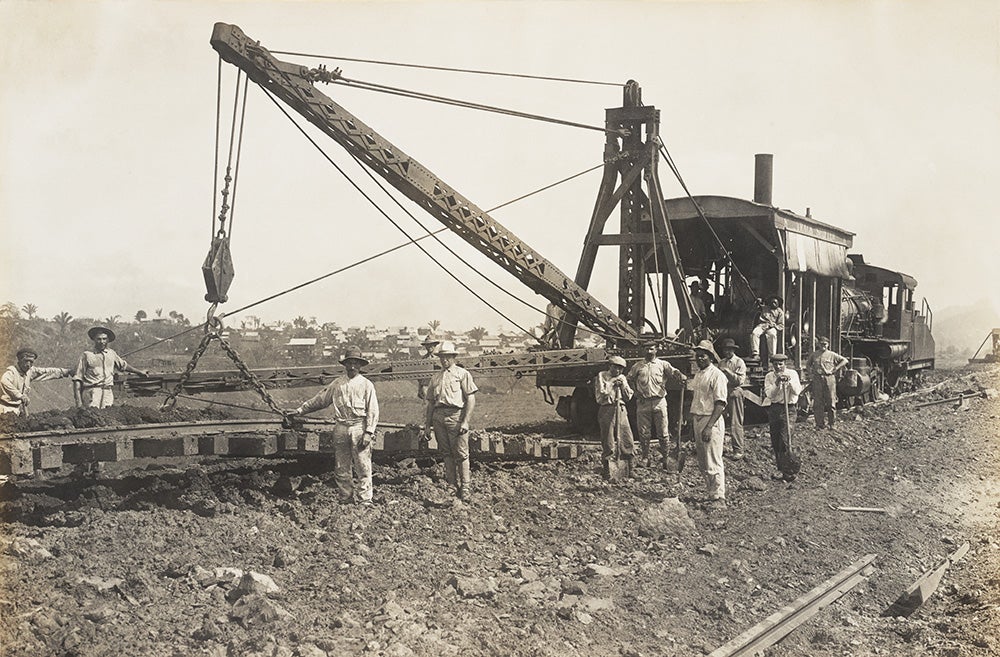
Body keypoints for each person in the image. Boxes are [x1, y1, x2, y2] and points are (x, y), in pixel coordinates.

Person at [290, 346, 379, 506]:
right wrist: (299, 411)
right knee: (341, 466)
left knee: (362, 465)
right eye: (349, 363)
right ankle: (345, 498)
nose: (352, 367)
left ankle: (365, 499)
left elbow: (373, 410)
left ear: (360, 365)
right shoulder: (337, 384)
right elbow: (320, 400)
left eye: (355, 363)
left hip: (359, 426)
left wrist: (369, 432)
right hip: (341, 427)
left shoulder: (367, 385)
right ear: (345, 365)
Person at [422, 341, 478, 501]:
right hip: (439, 417)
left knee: (461, 453)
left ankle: (466, 487)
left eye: (447, 357)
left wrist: (466, 421)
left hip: (456, 416)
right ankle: (452, 485)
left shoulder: (462, 374)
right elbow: (431, 403)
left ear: (453, 357)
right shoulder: (436, 378)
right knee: (446, 453)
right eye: (442, 357)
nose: (444, 360)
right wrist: (428, 425)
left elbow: (471, 399)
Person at [627, 341, 686, 467]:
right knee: (644, 433)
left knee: (663, 432)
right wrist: (636, 393)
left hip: (659, 402)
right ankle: (645, 458)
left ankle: (666, 458)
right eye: (647, 349)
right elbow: (629, 379)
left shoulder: (662, 364)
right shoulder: (638, 366)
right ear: (643, 350)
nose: (649, 351)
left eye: (651, 349)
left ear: (656, 350)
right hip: (643, 403)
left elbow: (673, 372)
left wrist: (680, 375)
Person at [689, 340, 729, 509]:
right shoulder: (698, 375)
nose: (699, 358)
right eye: (697, 356)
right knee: (703, 461)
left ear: (711, 357)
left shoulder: (717, 375)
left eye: (703, 355)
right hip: (698, 418)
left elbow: (720, 403)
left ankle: (719, 497)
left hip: (710, 419)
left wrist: (709, 426)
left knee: (713, 459)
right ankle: (711, 493)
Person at [73, 327, 149, 408]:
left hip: (107, 393)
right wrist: (79, 402)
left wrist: (139, 372)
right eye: (99, 339)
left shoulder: (111, 354)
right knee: (91, 417)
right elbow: (78, 379)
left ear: (108, 340)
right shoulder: (87, 355)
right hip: (92, 393)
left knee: (107, 416)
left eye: (104, 339)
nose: (102, 342)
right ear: (94, 340)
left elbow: (123, 365)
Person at [762, 353, 803, 481]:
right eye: (775, 364)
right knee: (775, 440)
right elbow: (770, 395)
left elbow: (797, 391)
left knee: (785, 439)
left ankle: (789, 471)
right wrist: (777, 383)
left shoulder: (793, 373)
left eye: (780, 364)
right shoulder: (769, 376)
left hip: (789, 409)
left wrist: (789, 382)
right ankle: (780, 469)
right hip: (775, 409)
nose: (778, 367)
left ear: (785, 364)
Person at [594, 355, 634, 480]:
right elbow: (602, 392)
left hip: (621, 408)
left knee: (627, 438)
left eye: (621, 369)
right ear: (610, 366)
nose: (618, 371)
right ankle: (607, 468)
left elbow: (629, 396)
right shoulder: (602, 375)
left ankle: (629, 468)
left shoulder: (622, 377)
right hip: (607, 408)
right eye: (615, 368)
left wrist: (623, 386)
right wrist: (611, 383)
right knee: (608, 440)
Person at [1, 348, 72, 416]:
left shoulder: (30, 371)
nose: (28, 364)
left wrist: (66, 372)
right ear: (20, 360)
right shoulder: (11, 372)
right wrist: (20, 396)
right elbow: (4, 382)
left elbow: (46, 372)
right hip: (4, 409)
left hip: (17, 410)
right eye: (26, 361)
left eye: (31, 362)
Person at [805, 336, 849, 429]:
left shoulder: (832, 355)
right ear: (818, 344)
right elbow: (808, 364)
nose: (823, 346)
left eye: (825, 344)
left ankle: (832, 424)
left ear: (828, 344)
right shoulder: (814, 355)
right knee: (818, 403)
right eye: (821, 344)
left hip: (829, 379)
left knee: (831, 402)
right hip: (817, 379)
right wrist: (810, 374)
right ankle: (819, 424)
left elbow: (845, 360)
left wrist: (835, 369)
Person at [716, 337, 747, 459]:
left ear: (733, 350)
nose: (727, 352)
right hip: (723, 392)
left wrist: (728, 372)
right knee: (719, 421)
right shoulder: (721, 362)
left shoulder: (739, 362)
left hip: (735, 392)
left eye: (729, 350)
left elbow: (739, 381)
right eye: (725, 350)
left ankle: (738, 450)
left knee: (735, 422)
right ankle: (719, 447)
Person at [750, 296, 785, 361]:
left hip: (772, 327)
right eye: (772, 302)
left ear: (778, 303)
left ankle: (772, 356)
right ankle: (756, 353)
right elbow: (757, 306)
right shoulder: (765, 308)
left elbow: (781, 325)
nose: (773, 304)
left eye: (775, 302)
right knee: (754, 333)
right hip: (762, 325)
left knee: (772, 335)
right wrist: (758, 301)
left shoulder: (780, 312)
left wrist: (774, 326)